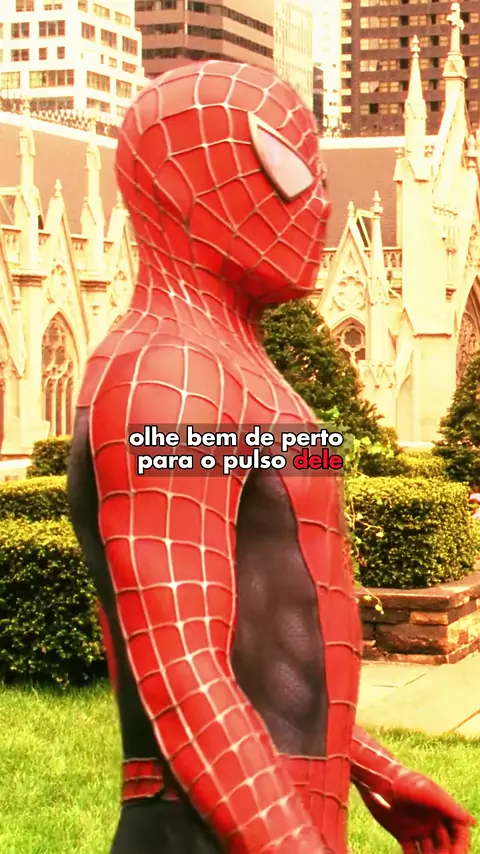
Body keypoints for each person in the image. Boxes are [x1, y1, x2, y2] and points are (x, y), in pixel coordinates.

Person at [67, 60, 474, 853]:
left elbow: (261, 639)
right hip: (204, 826)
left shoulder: (233, 370)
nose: (317, 203)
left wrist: (370, 766)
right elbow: (181, 671)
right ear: (184, 185)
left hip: (264, 807)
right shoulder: (167, 373)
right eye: (286, 169)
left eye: (321, 176)